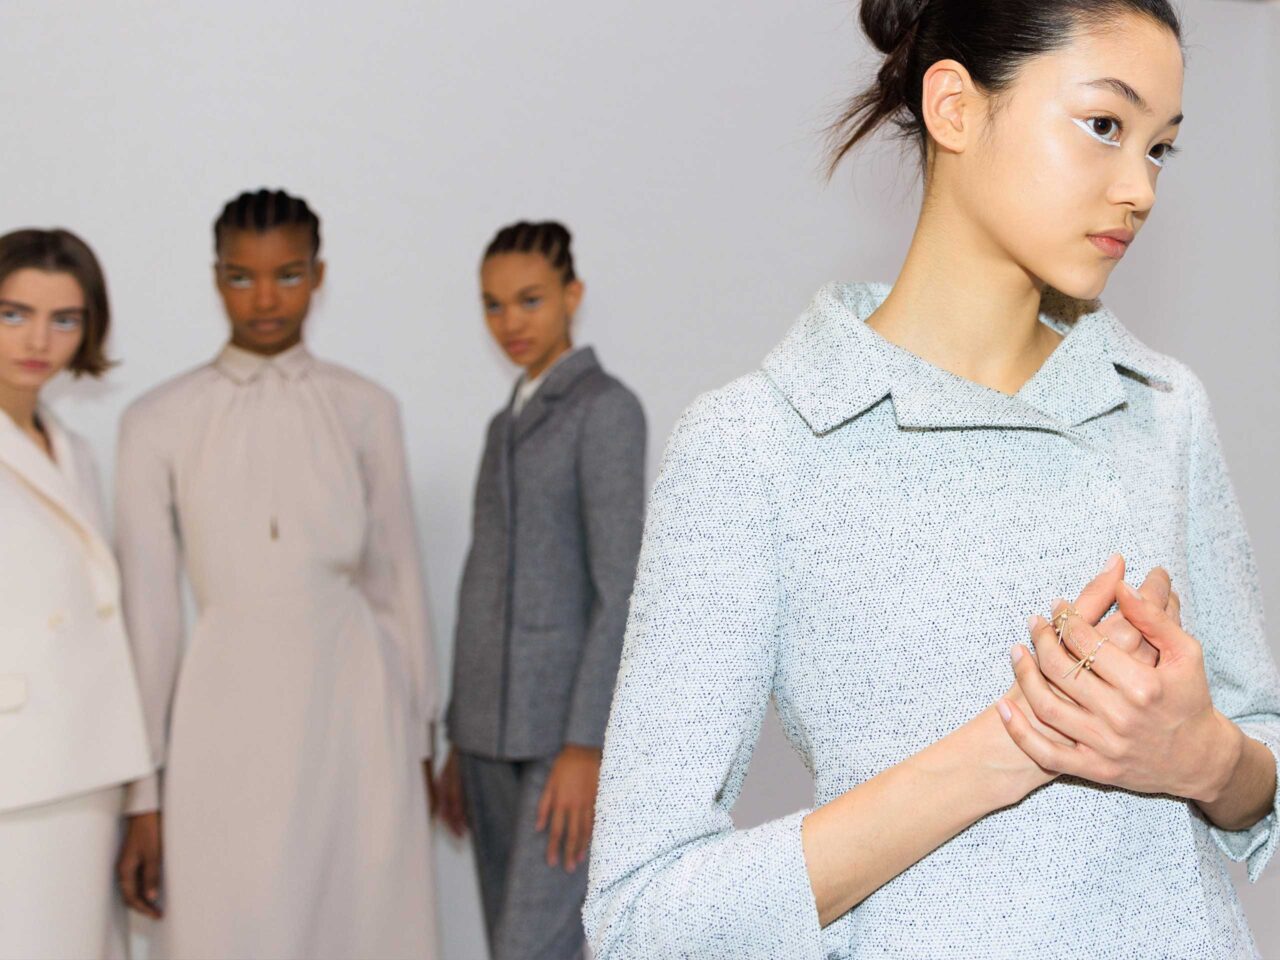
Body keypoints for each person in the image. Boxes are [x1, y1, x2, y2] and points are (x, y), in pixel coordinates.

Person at [584, 2, 1280, 958]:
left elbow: (1258, 748)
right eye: (1104, 125)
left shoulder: (1164, 409)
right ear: (954, 107)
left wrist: (1207, 757)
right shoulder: (757, 445)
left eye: (1160, 147)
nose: (1139, 188)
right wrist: (1007, 747)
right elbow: (641, 919)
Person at [113, 189, 440, 959]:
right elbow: (149, 620)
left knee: (365, 918)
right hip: (221, 710)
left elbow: (399, 584)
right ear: (216, 278)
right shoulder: (157, 420)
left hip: (356, 708)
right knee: (231, 918)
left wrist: (422, 739)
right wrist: (142, 791)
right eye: (242, 276)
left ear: (318, 276)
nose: (265, 299)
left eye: (288, 275)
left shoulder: (367, 408)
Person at [436, 221, 646, 959]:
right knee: (510, 947)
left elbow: (621, 588)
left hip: (560, 744)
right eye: (493, 305)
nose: (510, 323)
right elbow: (481, 577)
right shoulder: (504, 423)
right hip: (484, 741)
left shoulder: (606, 409)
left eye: (529, 300)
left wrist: (587, 745)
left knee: (535, 946)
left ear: (572, 294)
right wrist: (458, 734)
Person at [0, 228, 152, 960]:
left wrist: (139, 791)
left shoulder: (76, 452)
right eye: (13, 314)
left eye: (64, 319)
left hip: (87, 768)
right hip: (15, 774)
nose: (39, 340)